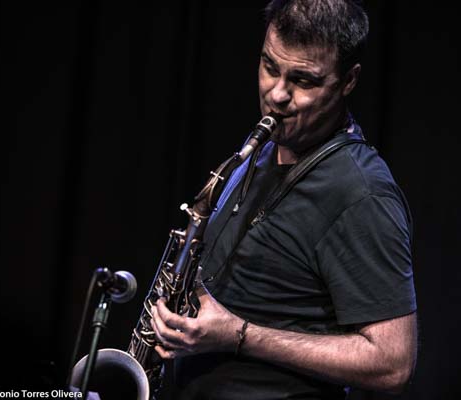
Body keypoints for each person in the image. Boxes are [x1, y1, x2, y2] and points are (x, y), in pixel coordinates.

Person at [151, 1, 418, 398]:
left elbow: (393, 363)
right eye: (269, 67)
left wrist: (238, 335)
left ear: (348, 80)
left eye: (303, 81)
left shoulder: (361, 193)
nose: (276, 95)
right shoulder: (263, 145)